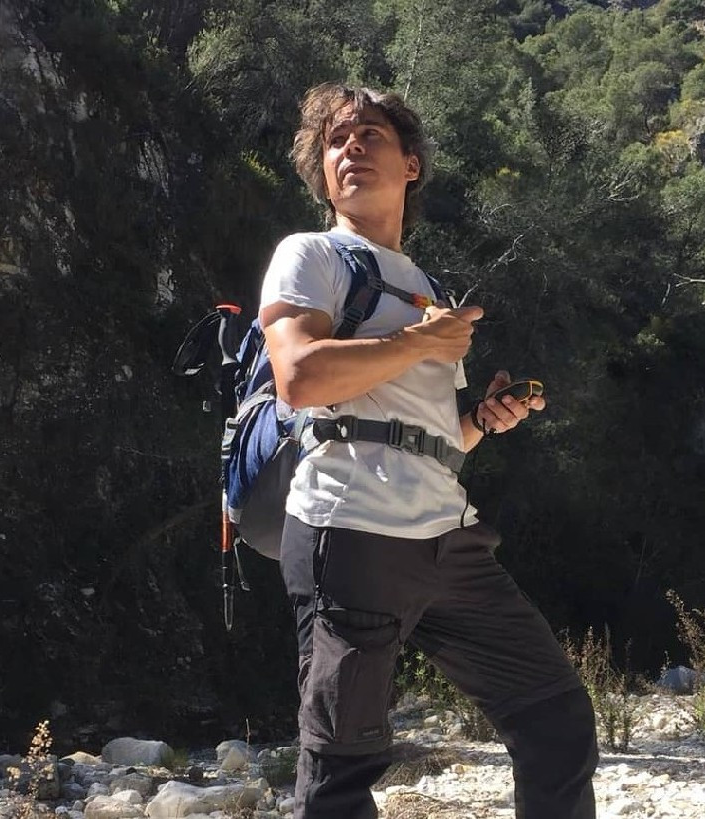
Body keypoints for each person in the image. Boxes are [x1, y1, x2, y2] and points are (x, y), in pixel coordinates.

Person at [258, 82, 598, 819]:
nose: (351, 148)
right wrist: (419, 342)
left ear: (410, 165)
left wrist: (483, 419)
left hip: (448, 539)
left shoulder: (426, 286)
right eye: (336, 141)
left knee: (557, 721)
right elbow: (300, 377)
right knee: (342, 767)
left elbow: (432, 434)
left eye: (370, 135)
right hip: (350, 531)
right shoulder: (310, 254)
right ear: (322, 174)